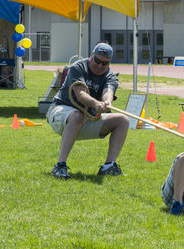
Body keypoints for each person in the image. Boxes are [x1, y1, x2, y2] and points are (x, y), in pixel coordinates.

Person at [46, 43, 129, 180]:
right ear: (91, 56)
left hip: (85, 119)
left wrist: (106, 102)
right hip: (60, 112)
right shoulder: (78, 67)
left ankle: (109, 166)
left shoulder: (111, 76)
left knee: (123, 120)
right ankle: (60, 166)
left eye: (105, 63)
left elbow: (108, 91)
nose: (100, 65)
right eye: (97, 60)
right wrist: (96, 104)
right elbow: (80, 93)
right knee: (77, 115)